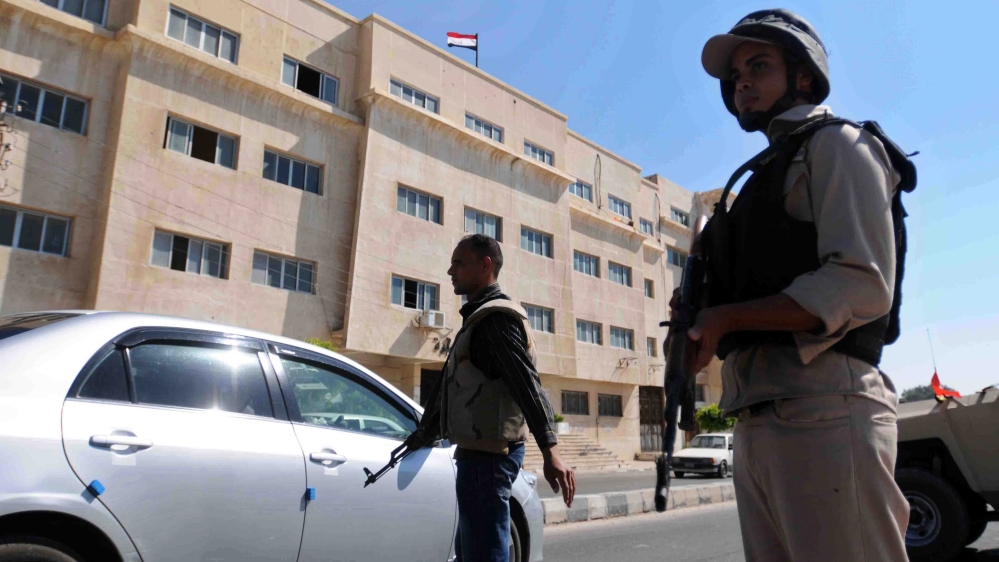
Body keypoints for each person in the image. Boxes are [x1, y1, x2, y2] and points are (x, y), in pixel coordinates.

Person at [684, 9, 910, 561]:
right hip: (757, 417)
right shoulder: (760, 176)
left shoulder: (839, 145)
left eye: (758, 66)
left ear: (803, 75)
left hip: (825, 407)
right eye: (735, 76)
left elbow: (862, 282)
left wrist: (727, 318)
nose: (742, 84)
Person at [409, 234, 575, 562]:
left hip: (489, 459)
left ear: (485, 265)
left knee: (483, 553)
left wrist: (551, 450)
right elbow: (453, 388)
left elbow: (526, 383)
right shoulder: (478, 319)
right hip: (479, 455)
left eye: (459, 263)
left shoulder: (495, 319)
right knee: (472, 551)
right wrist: (422, 435)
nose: (450, 271)